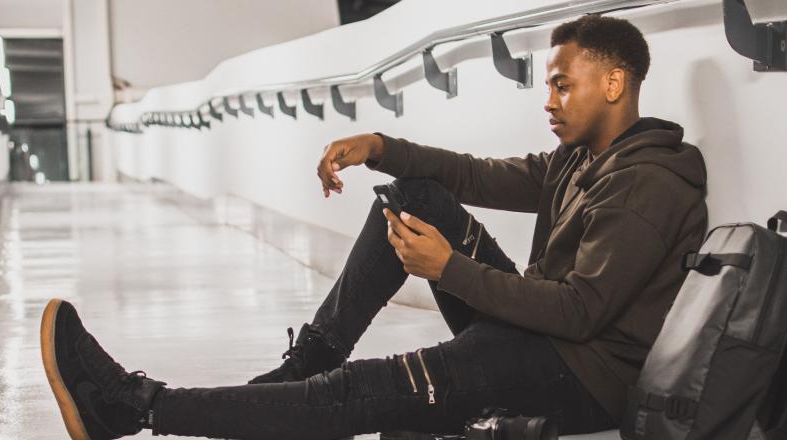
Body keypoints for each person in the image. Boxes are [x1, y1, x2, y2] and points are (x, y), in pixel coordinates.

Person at [41, 14, 708, 440]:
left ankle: (132, 405)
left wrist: (451, 270)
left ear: (616, 84)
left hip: (579, 379)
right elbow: (477, 176)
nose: (550, 100)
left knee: (362, 396)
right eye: (549, 85)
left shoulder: (648, 183)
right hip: (543, 340)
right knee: (415, 196)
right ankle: (305, 363)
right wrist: (382, 147)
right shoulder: (583, 158)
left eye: (564, 85)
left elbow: (580, 312)